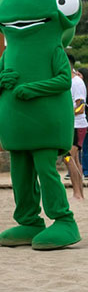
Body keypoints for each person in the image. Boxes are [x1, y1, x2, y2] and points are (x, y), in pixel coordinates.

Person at [66, 54, 86, 200]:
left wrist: (65, 113)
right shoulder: (68, 81)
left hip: (77, 125)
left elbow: (80, 108)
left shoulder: (77, 83)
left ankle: (77, 193)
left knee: (68, 157)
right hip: (71, 125)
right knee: (74, 159)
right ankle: (79, 192)